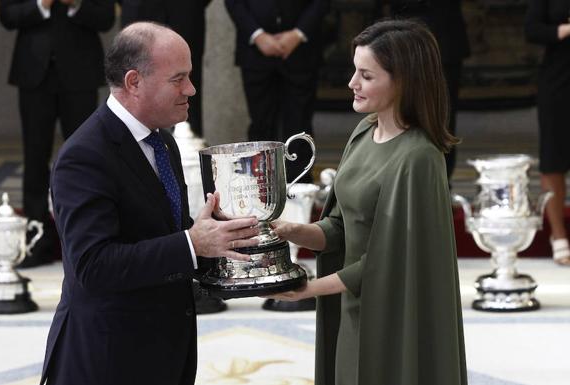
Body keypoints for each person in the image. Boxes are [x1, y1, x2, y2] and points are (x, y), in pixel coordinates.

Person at [40, 22, 260, 385]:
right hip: (107, 360)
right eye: (179, 79)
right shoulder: (83, 156)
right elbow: (93, 266)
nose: (191, 89)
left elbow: (165, 233)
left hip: (164, 354)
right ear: (133, 82)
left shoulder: (163, 142)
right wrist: (193, 242)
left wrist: (225, 238)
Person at [267, 20, 467, 385]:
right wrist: (293, 231)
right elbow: (341, 228)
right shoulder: (362, 132)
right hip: (353, 309)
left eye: (366, 75)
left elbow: (390, 261)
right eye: (353, 71)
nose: (352, 84)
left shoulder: (419, 157)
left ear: (403, 80)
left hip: (396, 318)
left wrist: (309, 289)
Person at [0, 0, 115, 267]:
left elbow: (106, 17)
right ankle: (36, 239)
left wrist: (76, 5)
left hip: (80, 74)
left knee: (86, 159)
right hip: (33, 73)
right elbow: (8, 16)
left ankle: (86, 237)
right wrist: (43, 4)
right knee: (34, 156)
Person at [224, 0, 330, 183]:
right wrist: (257, 35)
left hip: (302, 50)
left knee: (299, 124)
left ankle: (299, 188)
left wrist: (298, 33)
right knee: (260, 124)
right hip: (254, 51)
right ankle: (259, 188)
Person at [390, 0, 470, 182]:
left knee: (442, 120)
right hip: (402, 42)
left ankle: (441, 185)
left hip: (444, 41)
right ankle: (401, 181)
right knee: (401, 115)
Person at [117, 0, 211, 137]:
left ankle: (187, 149)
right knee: (135, 87)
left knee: (186, 81)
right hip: (138, 9)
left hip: (186, 11)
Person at [525, 0, 570, 265]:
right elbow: (532, 29)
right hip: (559, 80)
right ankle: (559, 234)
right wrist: (565, 31)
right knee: (553, 158)